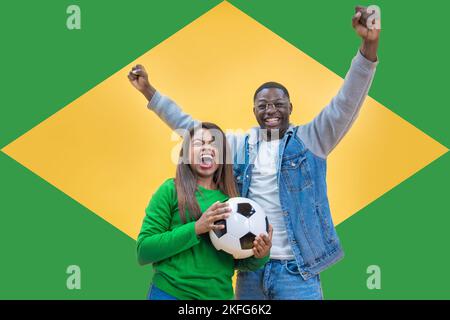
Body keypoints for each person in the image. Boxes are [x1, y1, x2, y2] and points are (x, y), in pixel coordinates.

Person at [129, 7, 380, 300]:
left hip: (298, 271)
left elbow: (346, 102)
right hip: (249, 269)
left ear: (290, 107)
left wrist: (368, 47)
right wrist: (149, 92)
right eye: (262, 105)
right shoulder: (239, 144)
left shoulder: (313, 139)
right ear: (254, 111)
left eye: (278, 104)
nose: (270, 110)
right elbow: (191, 129)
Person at [137, 122, 273, 300]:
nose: (207, 148)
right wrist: (197, 228)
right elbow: (144, 251)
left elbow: (236, 261)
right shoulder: (170, 190)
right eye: (199, 143)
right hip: (170, 293)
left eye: (213, 143)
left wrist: (260, 255)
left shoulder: (233, 201)